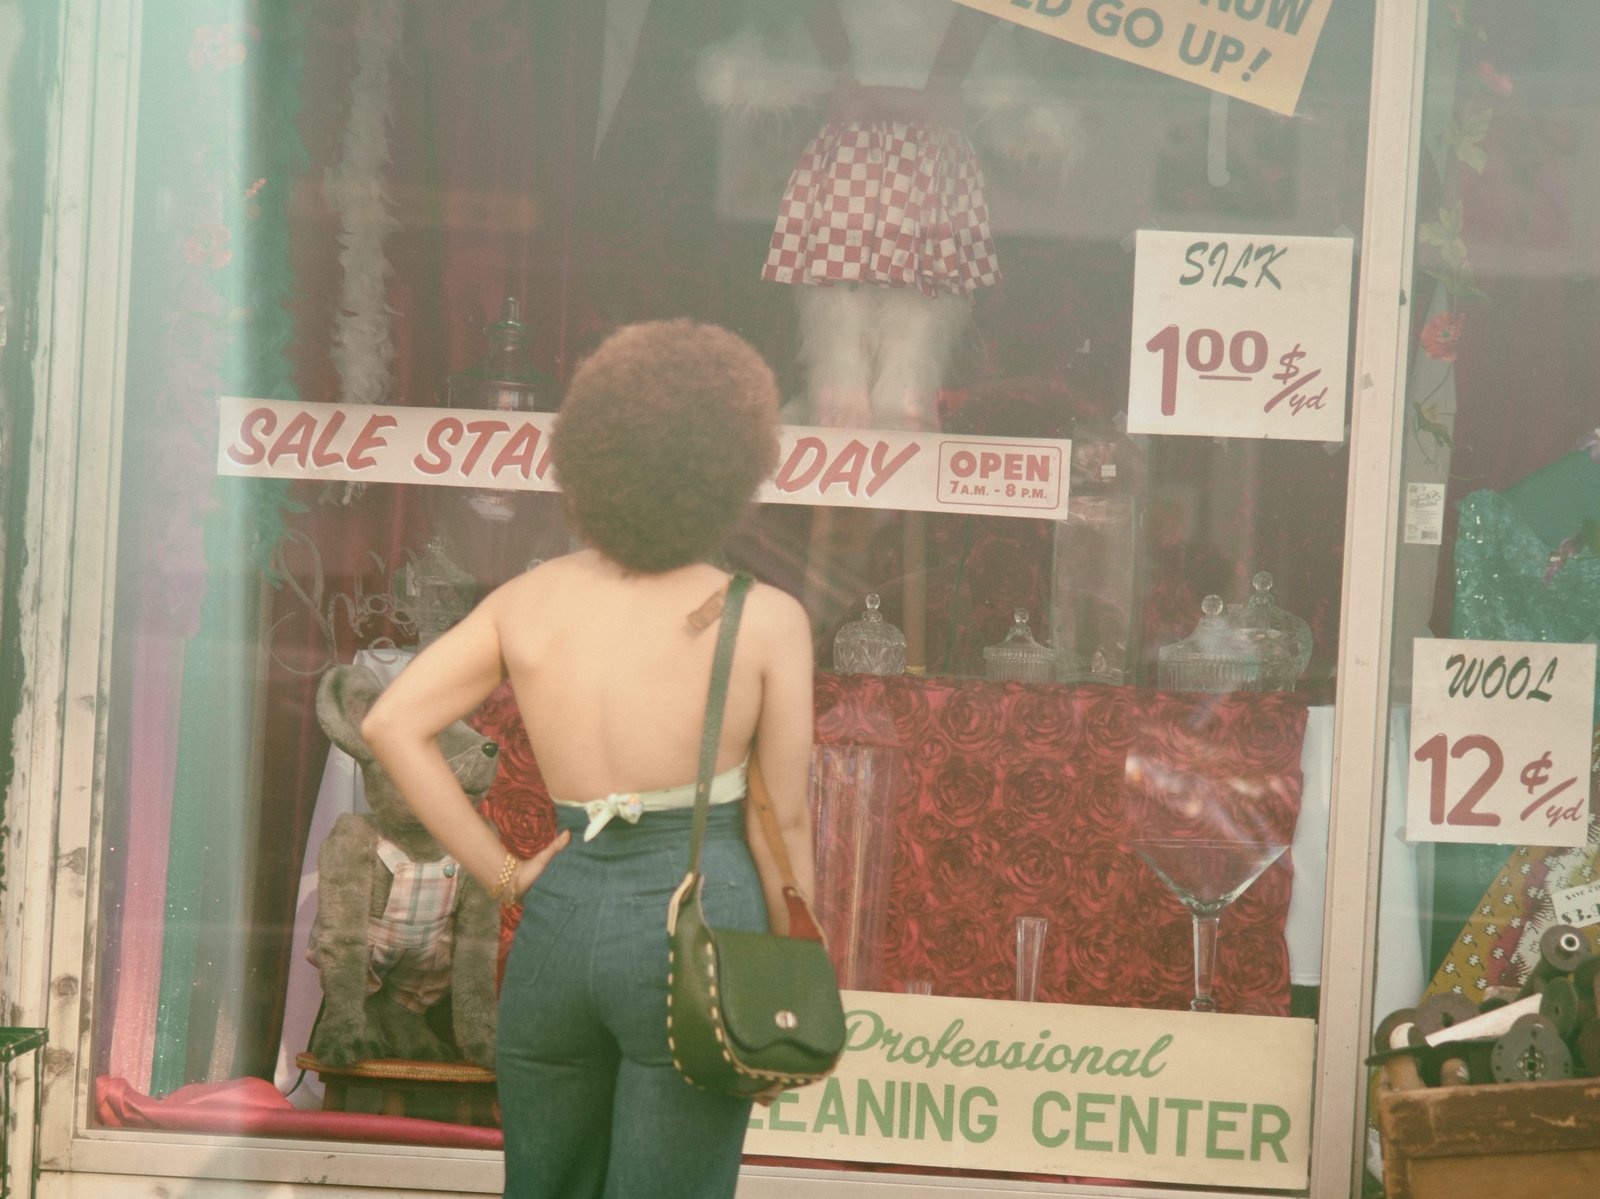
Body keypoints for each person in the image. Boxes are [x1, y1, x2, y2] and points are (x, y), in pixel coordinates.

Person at [361, 319, 817, 1198]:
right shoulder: (767, 619)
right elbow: (781, 818)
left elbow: (391, 724)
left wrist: (500, 873)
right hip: (698, 920)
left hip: (557, 927)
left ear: (591, 460)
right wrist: (800, 960)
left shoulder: (527, 600)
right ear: (731, 469)